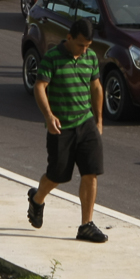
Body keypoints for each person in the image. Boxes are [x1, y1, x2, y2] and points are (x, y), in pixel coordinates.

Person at [27, 17, 107, 243]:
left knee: (91, 172)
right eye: (80, 45)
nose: (84, 50)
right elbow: (40, 87)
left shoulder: (90, 57)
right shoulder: (52, 58)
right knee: (57, 176)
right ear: (69, 37)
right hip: (61, 128)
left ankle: (86, 225)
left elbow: (96, 87)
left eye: (88, 46)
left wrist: (99, 120)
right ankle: (37, 198)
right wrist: (49, 116)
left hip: (86, 122)